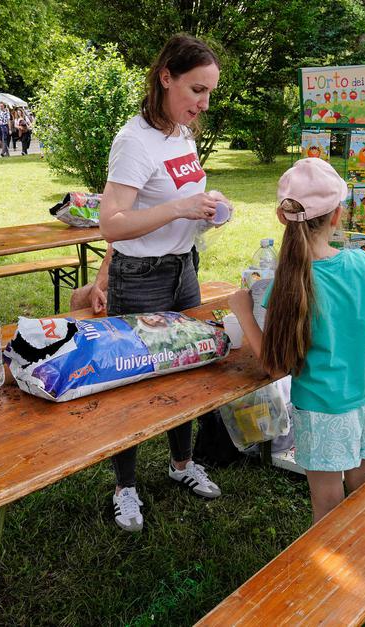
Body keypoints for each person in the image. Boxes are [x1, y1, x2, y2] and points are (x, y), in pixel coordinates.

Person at [97, 34, 230, 532]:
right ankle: (125, 488)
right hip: (143, 279)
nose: (203, 103)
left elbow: (173, 208)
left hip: (182, 270)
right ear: (165, 77)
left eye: (209, 93)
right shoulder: (134, 140)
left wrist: (206, 212)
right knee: (131, 382)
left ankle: (180, 465)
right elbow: (112, 222)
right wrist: (178, 208)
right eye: (196, 90)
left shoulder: (181, 135)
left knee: (186, 374)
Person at [229, 158, 365, 525]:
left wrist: (243, 312)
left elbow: (275, 366)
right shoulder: (364, 265)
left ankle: (328, 576)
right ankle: (364, 559)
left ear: (283, 218)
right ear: (337, 215)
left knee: (327, 508)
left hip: (320, 408)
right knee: (362, 489)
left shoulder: (288, 284)